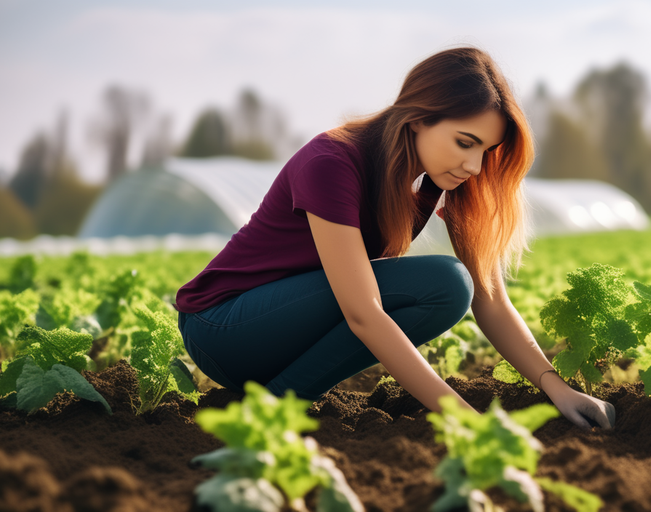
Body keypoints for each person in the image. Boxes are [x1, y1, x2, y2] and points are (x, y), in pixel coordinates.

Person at [175, 46, 616, 429]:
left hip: (281, 335)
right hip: (224, 328)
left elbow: (492, 299)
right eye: (465, 142)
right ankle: (277, 406)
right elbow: (363, 313)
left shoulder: (437, 184)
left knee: (450, 288)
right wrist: (465, 420)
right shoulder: (331, 162)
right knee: (444, 283)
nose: (475, 166)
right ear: (419, 118)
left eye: (485, 150)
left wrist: (558, 389)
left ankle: (277, 402)